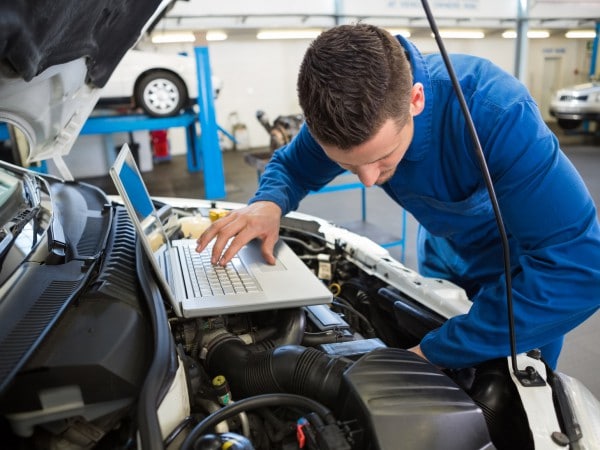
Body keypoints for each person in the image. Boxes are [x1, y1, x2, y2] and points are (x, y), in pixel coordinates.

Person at [197, 23, 600, 370]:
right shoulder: (340, 112)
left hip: (520, 272)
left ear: (416, 100)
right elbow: (292, 166)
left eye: (381, 158)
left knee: (512, 387)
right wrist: (269, 203)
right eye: (351, 166)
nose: (370, 180)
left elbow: (579, 266)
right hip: (442, 252)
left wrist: (433, 353)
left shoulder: (494, 111)